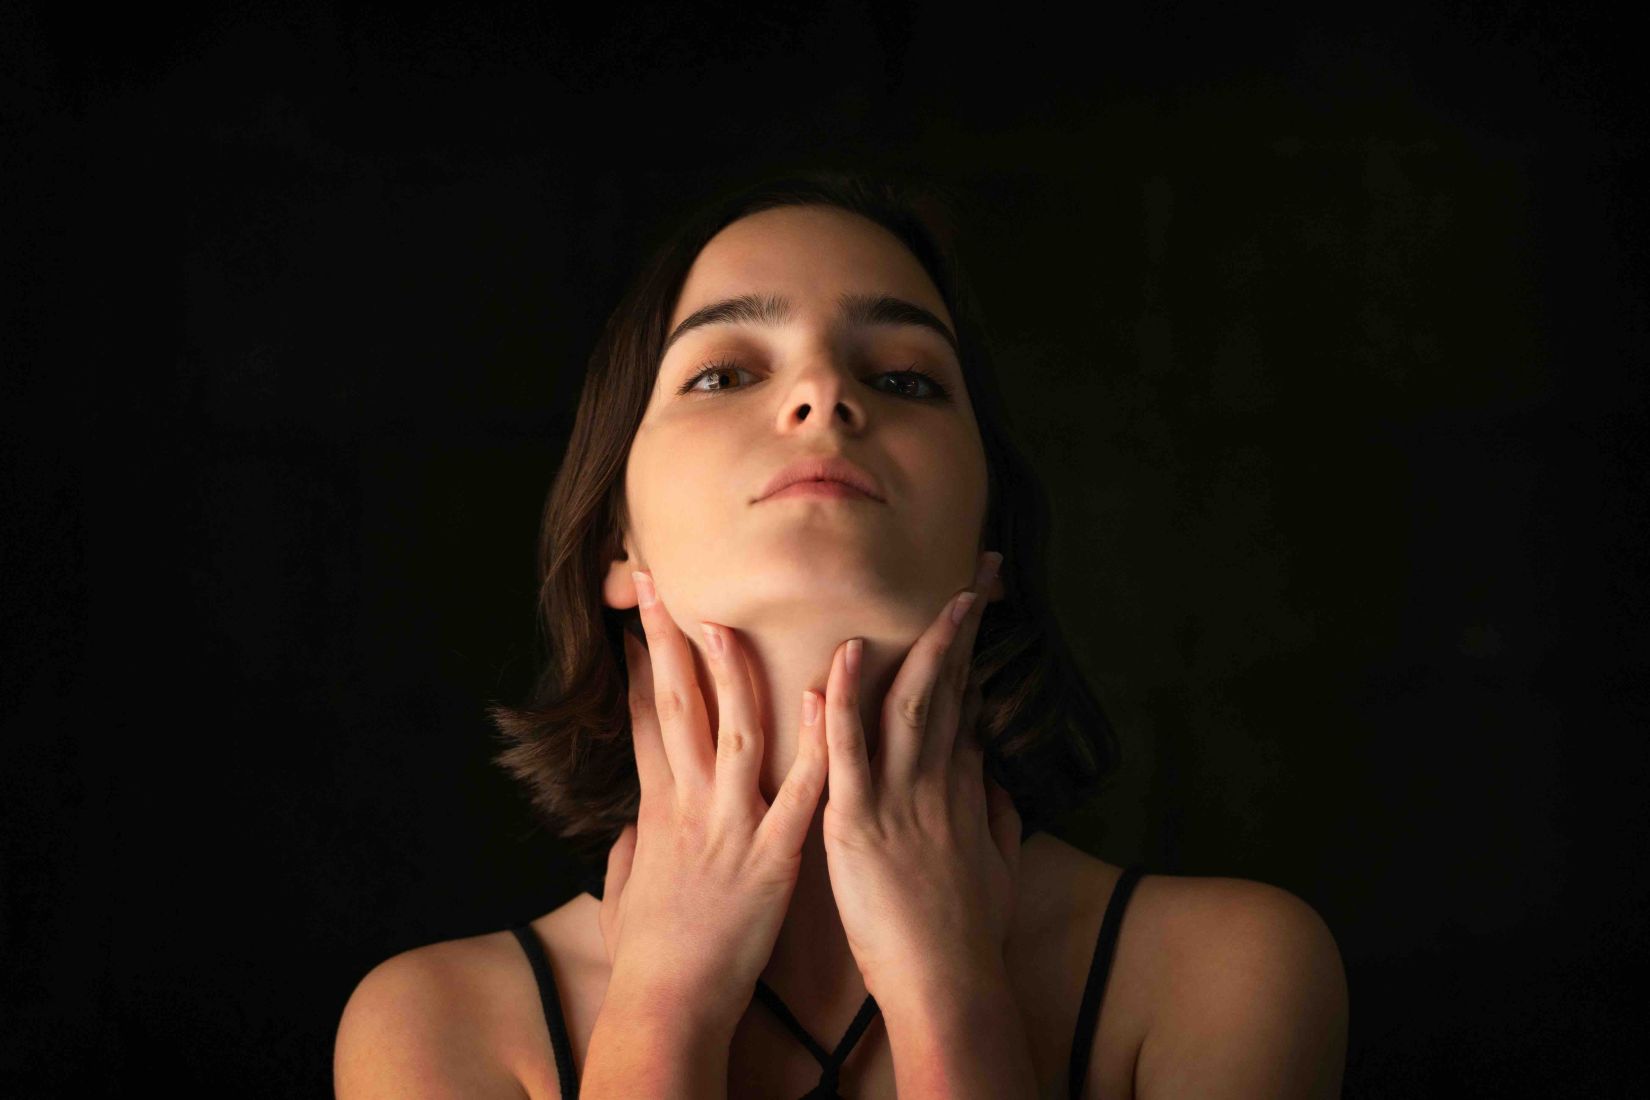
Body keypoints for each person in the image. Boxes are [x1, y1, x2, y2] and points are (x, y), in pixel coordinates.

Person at [333, 169, 1349, 1099]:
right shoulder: (436, 1028)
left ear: (986, 540)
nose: (824, 394)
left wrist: (950, 992)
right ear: (616, 539)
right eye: (724, 373)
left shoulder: (1224, 975)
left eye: (905, 377)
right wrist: (666, 1006)